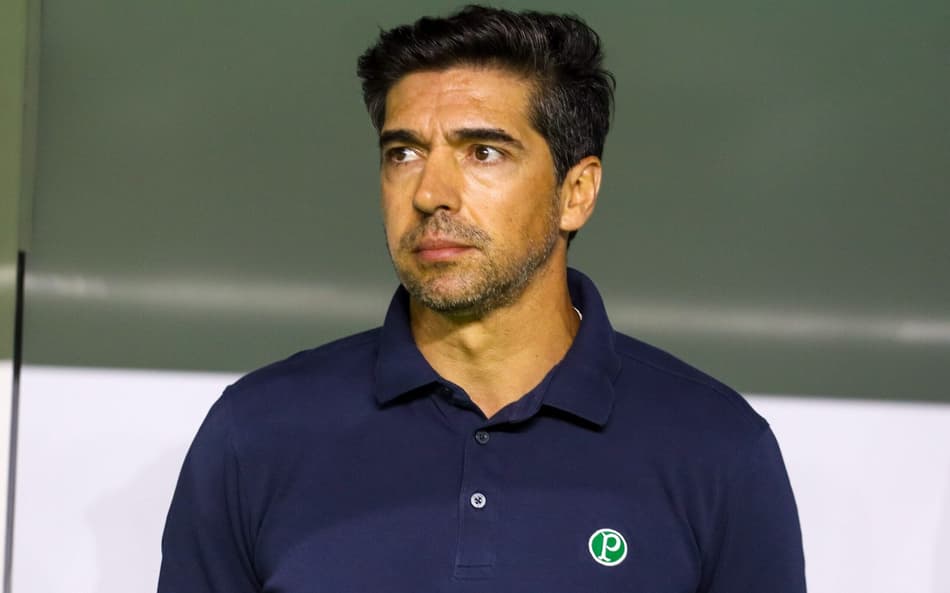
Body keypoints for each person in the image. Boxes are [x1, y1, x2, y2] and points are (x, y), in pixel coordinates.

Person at [158, 5, 806, 592]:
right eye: (404, 151)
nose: (431, 192)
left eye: (484, 151)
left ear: (575, 192)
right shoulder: (255, 433)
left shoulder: (717, 449)